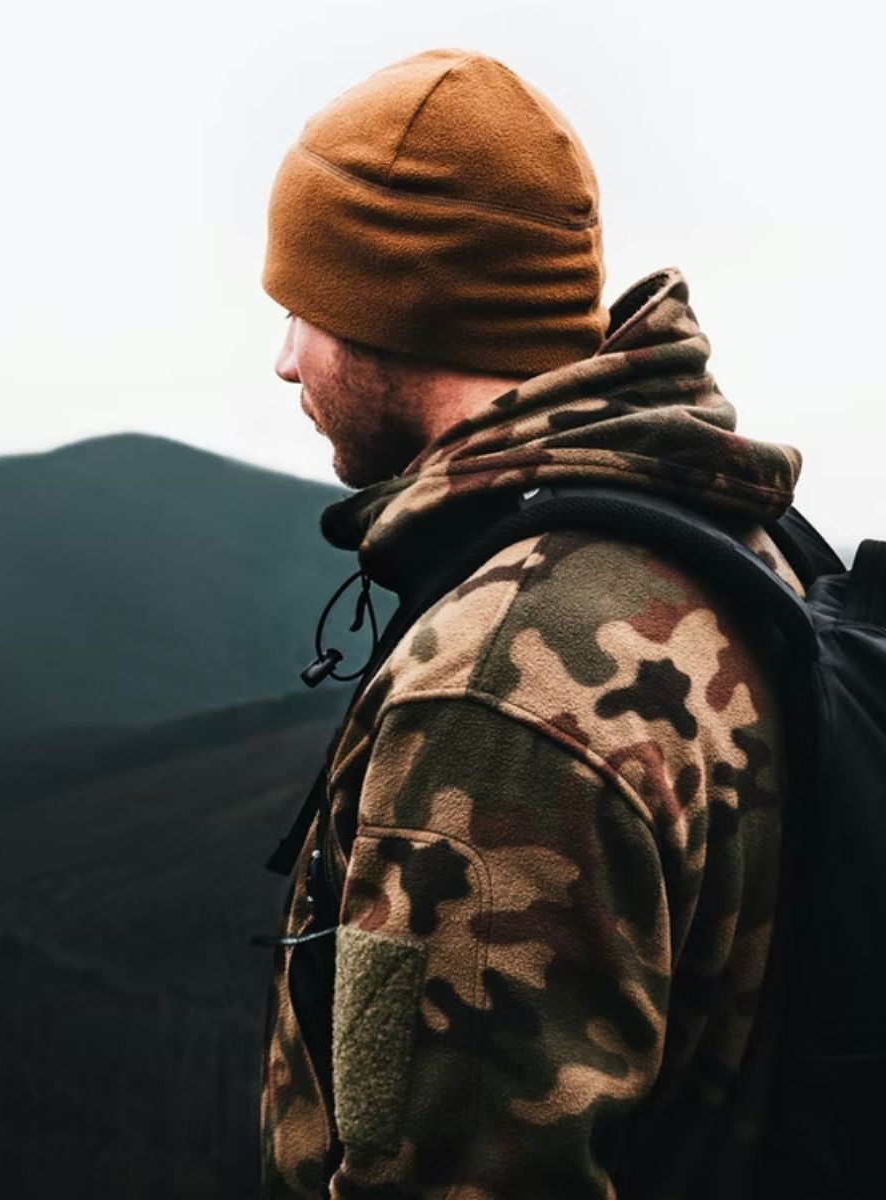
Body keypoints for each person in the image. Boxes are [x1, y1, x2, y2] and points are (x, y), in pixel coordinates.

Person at [256, 47, 807, 1200]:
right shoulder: (728, 541)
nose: (284, 358)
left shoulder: (499, 688)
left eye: (305, 307)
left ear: (399, 304)